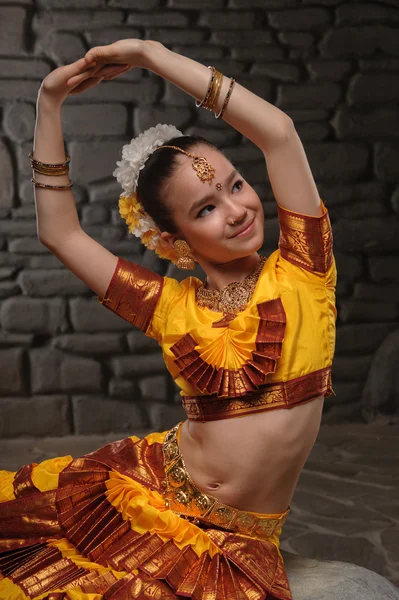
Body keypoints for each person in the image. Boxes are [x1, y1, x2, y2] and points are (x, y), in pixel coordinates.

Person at [0, 39, 337, 600]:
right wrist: (50, 101)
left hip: (235, 538)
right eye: (205, 208)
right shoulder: (170, 306)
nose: (236, 210)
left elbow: (278, 132)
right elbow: (59, 234)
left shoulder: (305, 269)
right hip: (146, 492)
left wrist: (153, 56)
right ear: (174, 240)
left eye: (235, 185)